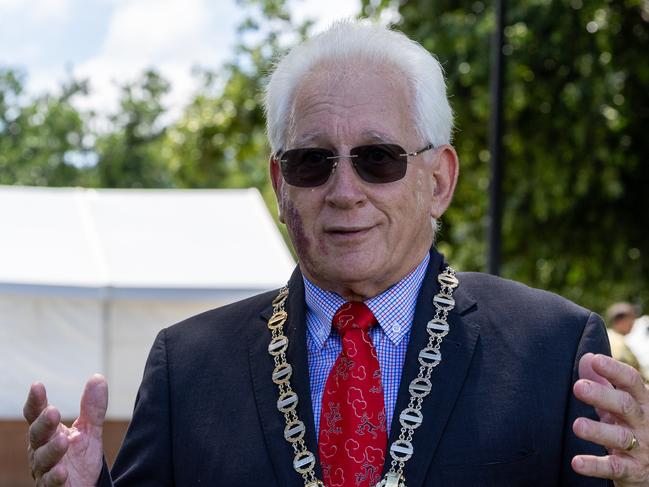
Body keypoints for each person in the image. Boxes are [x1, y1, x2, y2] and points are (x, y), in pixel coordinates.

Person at [24, 21, 649, 487]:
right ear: (279, 184)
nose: (344, 191)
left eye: (378, 158)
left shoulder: (554, 348)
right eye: (311, 161)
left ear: (438, 181)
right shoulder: (188, 369)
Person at [606, 302, 642, 374]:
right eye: (631, 318)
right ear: (620, 320)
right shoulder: (617, 342)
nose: (633, 322)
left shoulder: (608, 336)